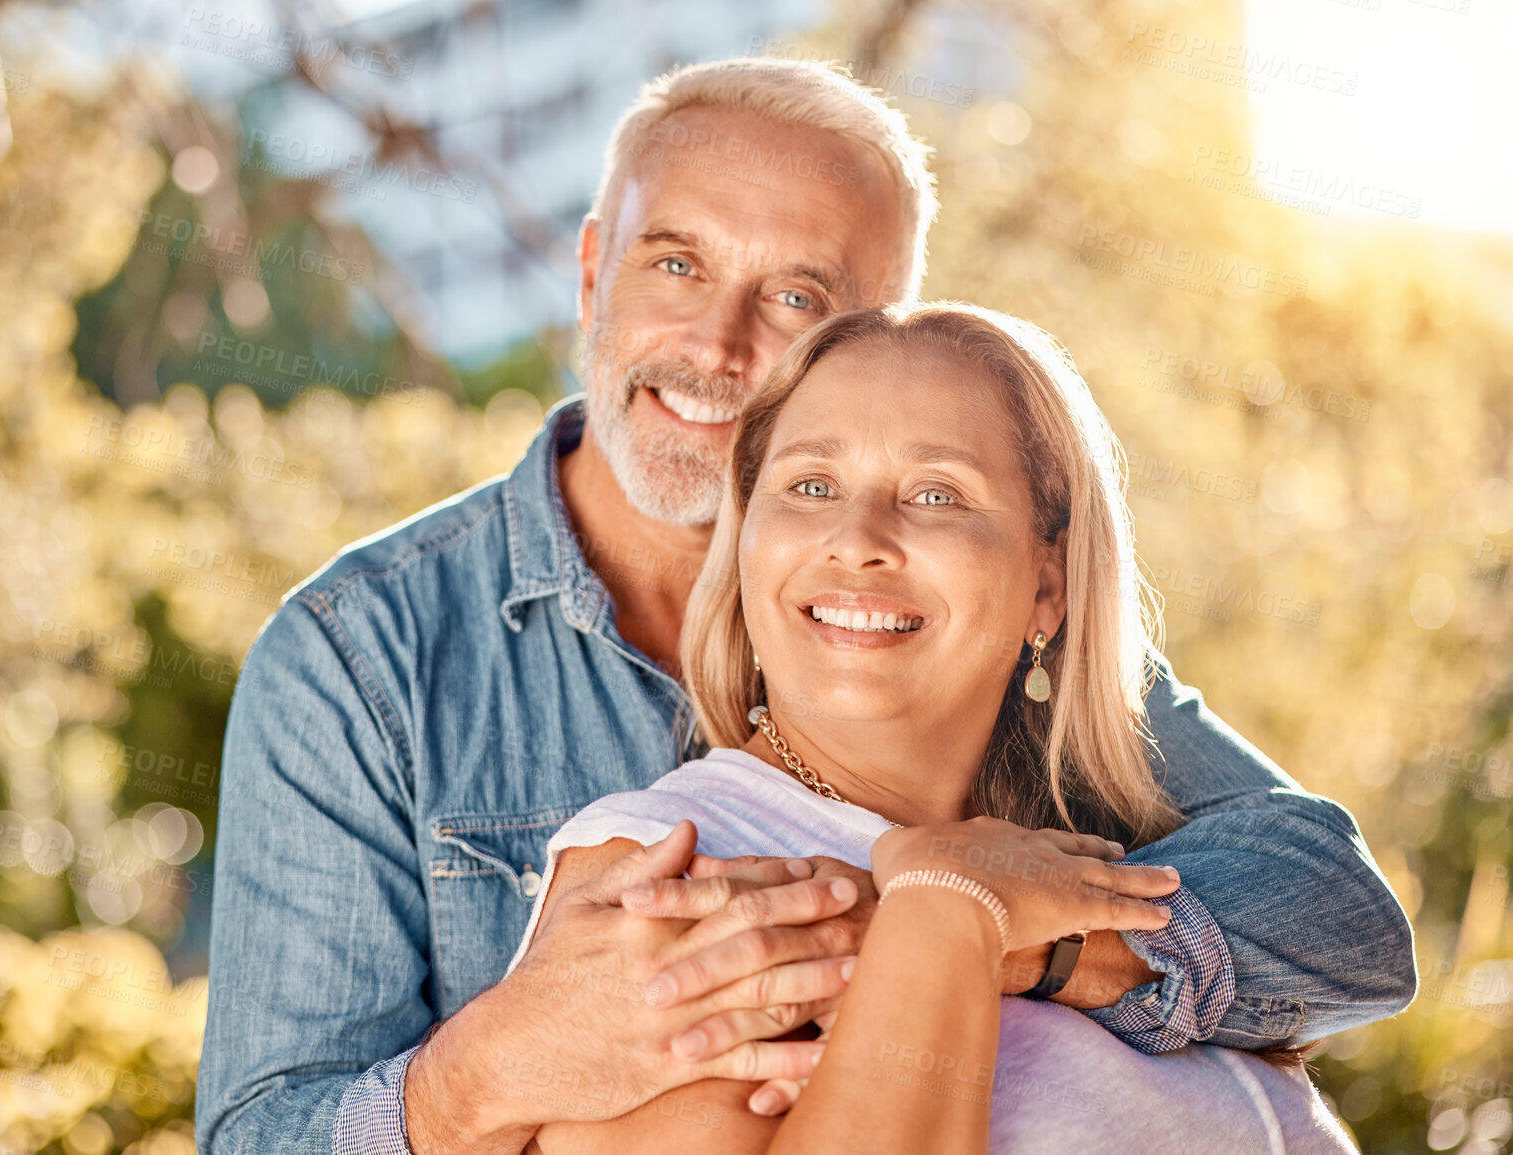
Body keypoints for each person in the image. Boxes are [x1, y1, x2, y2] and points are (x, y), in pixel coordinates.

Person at [196, 58, 1415, 1155]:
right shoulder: (363, 655)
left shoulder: (987, 641)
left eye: (795, 297)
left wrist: (1014, 941)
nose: (719, 343)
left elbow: (1339, 922)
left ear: (880, 336)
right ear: (590, 273)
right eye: (676, 263)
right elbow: (264, 1136)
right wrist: (490, 1070)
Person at [513, 302, 1357, 1154]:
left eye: (935, 493)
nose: (857, 540)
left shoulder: (1100, 849)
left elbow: (1363, 936)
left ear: (1046, 587)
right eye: (810, 485)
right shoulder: (670, 873)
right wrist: (943, 915)